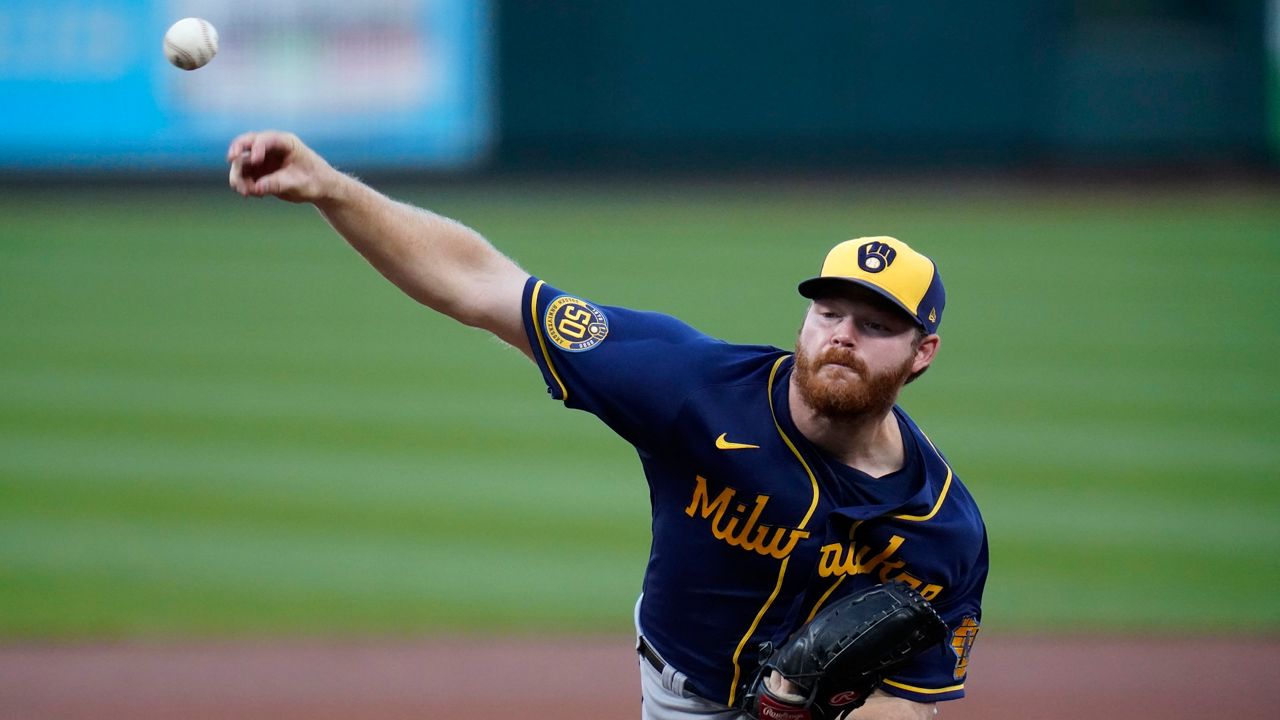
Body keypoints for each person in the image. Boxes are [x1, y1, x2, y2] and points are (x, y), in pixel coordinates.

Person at [227, 131, 989, 720]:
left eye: (875, 324)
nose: (842, 337)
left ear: (923, 353)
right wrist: (329, 187)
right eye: (829, 312)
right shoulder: (690, 387)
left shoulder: (943, 528)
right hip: (681, 694)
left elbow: (910, 696)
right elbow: (484, 285)